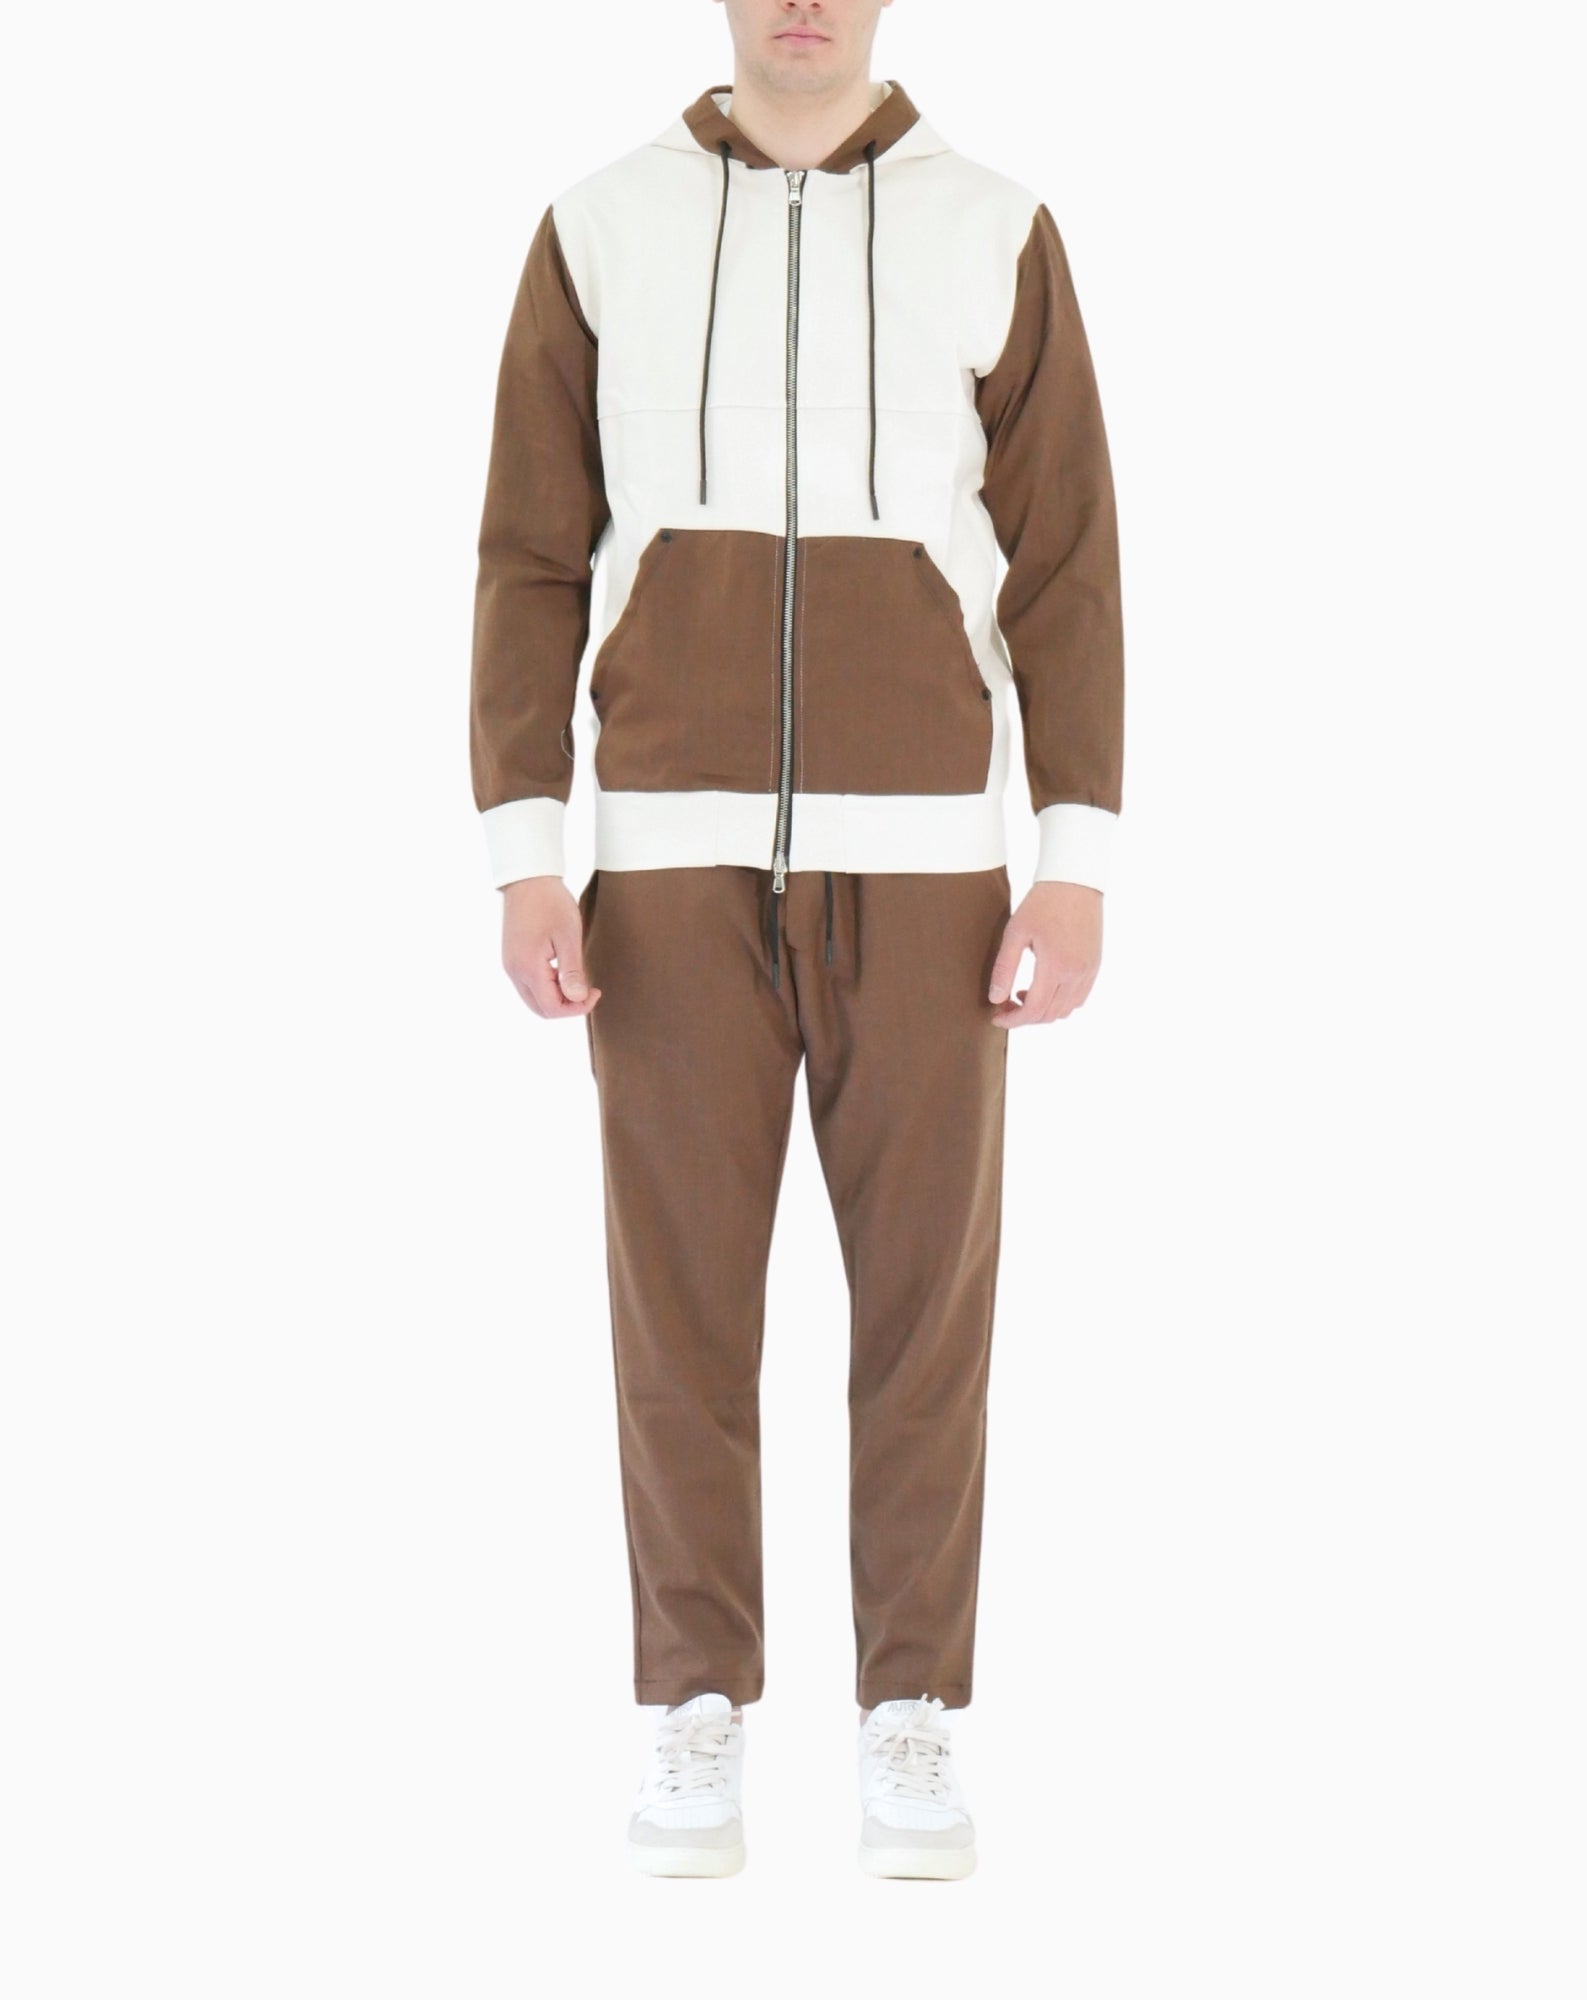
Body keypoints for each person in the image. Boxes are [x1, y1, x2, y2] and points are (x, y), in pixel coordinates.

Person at [468, 0, 1123, 1882]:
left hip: (929, 863)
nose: (804, 3)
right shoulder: (598, 226)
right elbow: (527, 553)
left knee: (926, 1315)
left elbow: (1069, 562)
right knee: (678, 1311)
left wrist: (1073, 854)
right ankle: (694, 1711)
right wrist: (525, 848)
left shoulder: (997, 225)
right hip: (663, 861)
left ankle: (912, 1714)